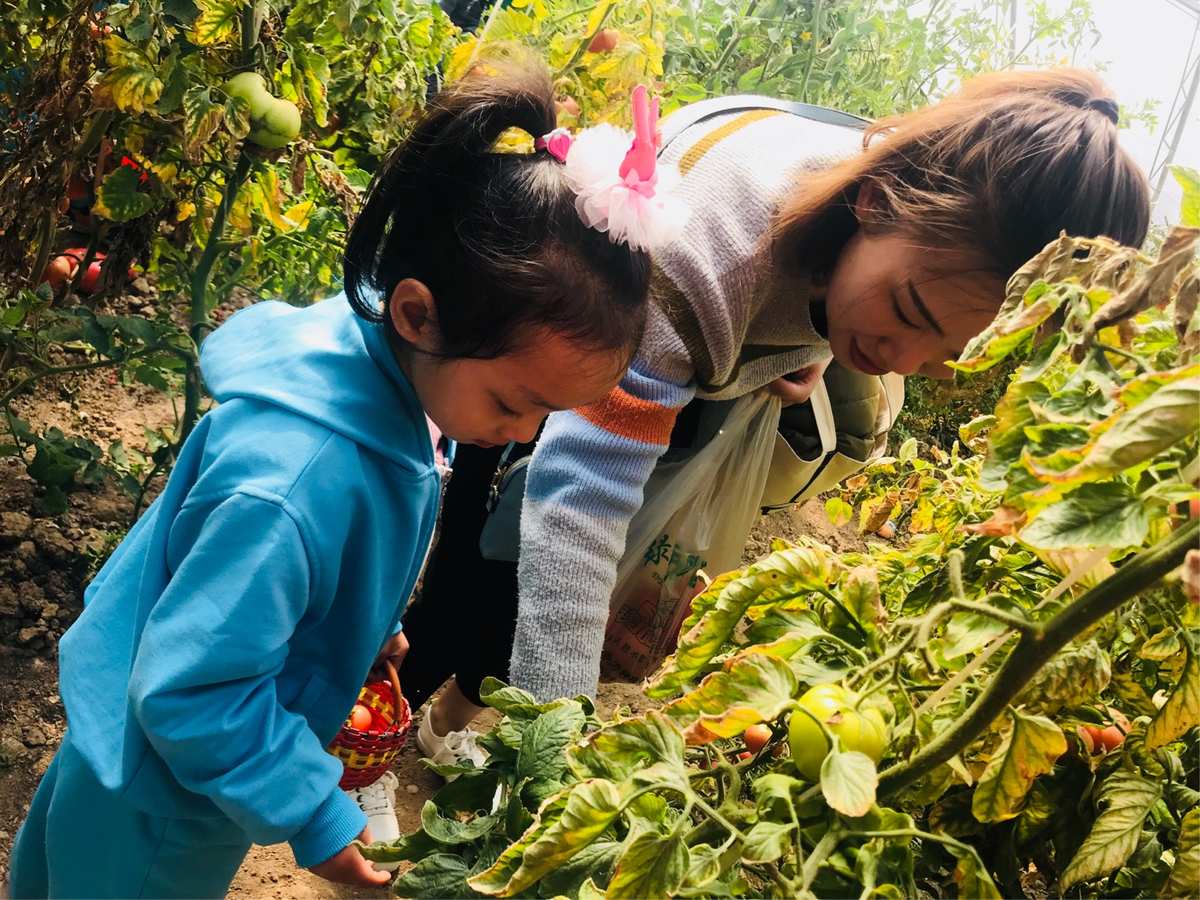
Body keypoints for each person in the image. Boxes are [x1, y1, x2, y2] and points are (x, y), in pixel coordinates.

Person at [7, 52, 660, 898]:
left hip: (119, 730)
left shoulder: (379, 375)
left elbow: (264, 586)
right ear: (419, 313)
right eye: (516, 402)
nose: (524, 433)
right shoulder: (293, 485)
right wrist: (314, 816)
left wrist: (357, 623)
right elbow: (192, 696)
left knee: (58, 869)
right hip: (164, 790)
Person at [399, 68, 1150, 761]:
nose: (906, 359)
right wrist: (559, 734)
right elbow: (579, 501)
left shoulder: (907, 195)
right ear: (873, 202)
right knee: (488, 545)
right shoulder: (712, 256)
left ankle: (440, 720)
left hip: (670, 345)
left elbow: (844, 279)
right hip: (547, 322)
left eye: (950, 356)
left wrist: (819, 341)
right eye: (907, 312)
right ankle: (377, 730)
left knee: (511, 560)